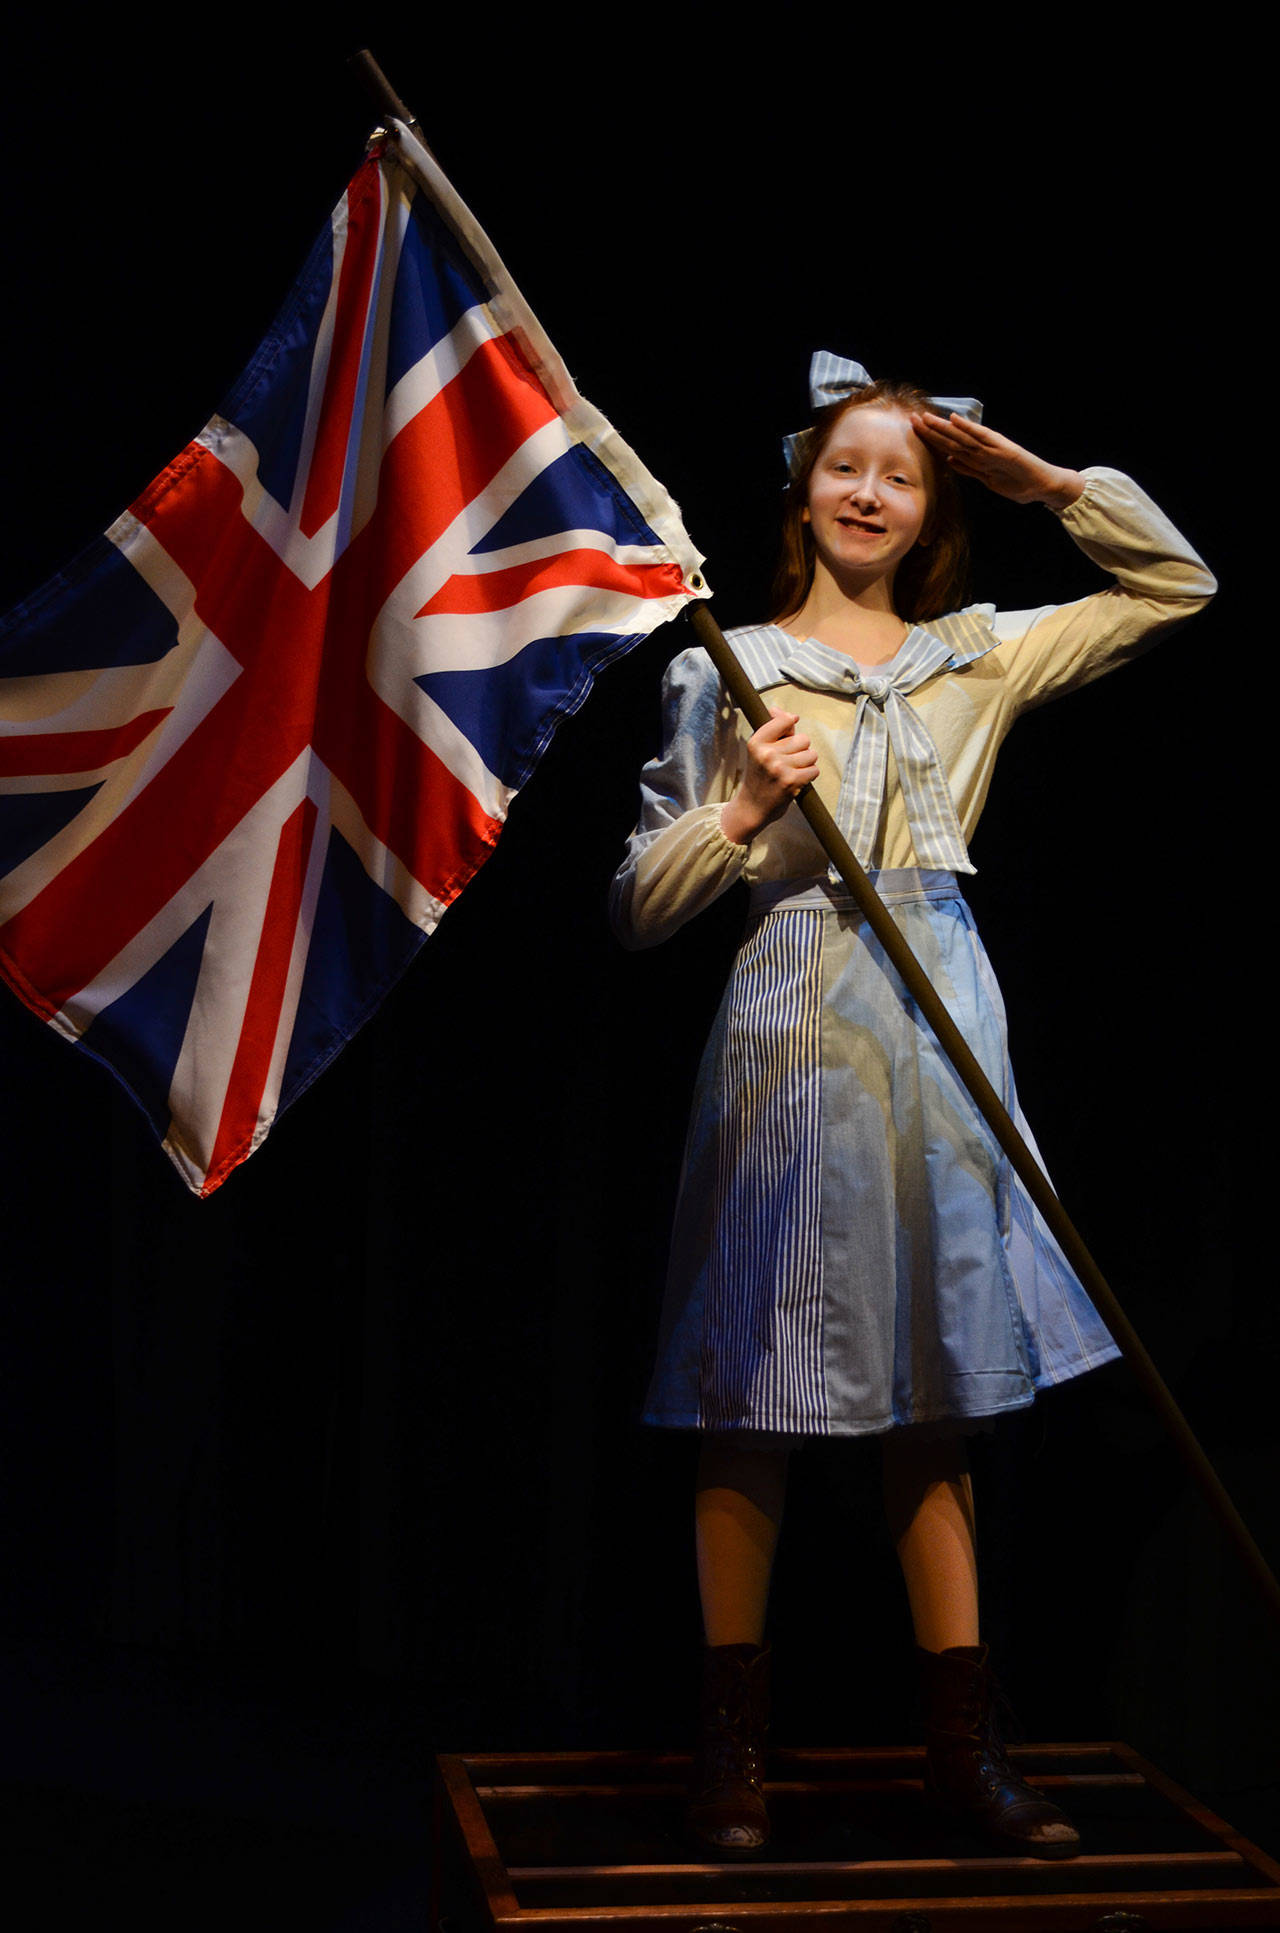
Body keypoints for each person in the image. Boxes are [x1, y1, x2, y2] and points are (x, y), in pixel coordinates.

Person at [609, 353, 1216, 1860]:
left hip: (941, 1019)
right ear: (803, 491)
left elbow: (1177, 587)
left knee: (933, 1399)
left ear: (932, 505)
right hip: (792, 1017)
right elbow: (636, 902)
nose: (870, 490)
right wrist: (743, 810)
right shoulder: (725, 665)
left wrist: (1040, 479)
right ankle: (729, 1757)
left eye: (903, 472)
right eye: (846, 465)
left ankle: (965, 1751)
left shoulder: (975, 656)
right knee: (751, 1389)